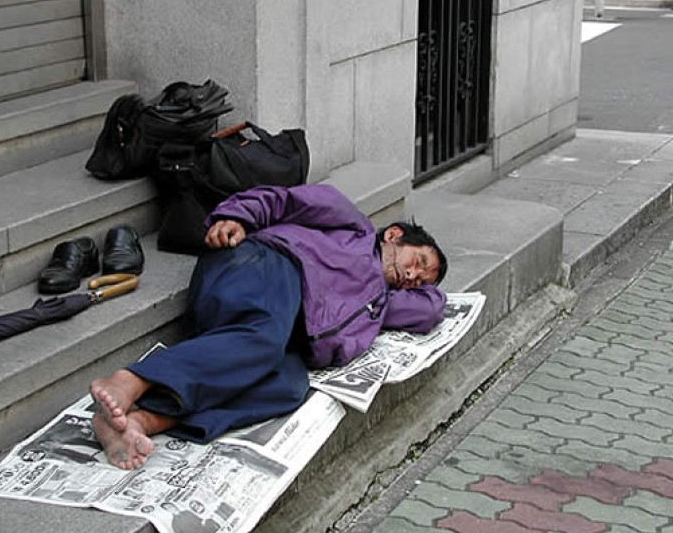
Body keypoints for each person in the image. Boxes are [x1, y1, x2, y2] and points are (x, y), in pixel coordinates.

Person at [90, 184, 448, 469]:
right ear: (393, 235)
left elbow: (431, 310)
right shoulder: (352, 225)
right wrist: (236, 217)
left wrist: (422, 288)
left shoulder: (381, 305)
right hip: (267, 264)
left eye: (420, 281)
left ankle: (141, 421)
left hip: (277, 331)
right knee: (264, 337)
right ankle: (129, 380)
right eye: (418, 261)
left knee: (289, 386)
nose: (412, 276)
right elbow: (283, 200)